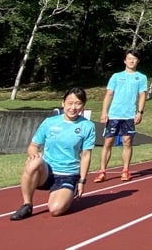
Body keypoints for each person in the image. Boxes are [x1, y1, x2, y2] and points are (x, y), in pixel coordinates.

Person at [11, 87, 96, 220]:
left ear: (83, 106)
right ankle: (27, 204)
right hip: (47, 172)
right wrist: (34, 154)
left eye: (78, 103)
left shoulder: (87, 126)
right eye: (70, 103)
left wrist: (82, 180)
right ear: (63, 103)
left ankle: (67, 192)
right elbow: (33, 146)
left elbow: (86, 155)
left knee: (55, 210)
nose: (73, 107)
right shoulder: (50, 123)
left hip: (68, 174)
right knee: (34, 162)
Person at [94, 51, 148, 183]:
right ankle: (102, 171)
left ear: (137, 61)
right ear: (125, 61)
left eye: (134, 59)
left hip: (129, 115)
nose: (131, 61)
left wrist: (139, 112)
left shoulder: (141, 77)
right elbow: (109, 94)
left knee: (127, 142)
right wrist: (104, 112)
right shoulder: (116, 76)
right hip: (114, 115)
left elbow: (142, 95)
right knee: (108, 142)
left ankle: (125, 170)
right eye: (129, 59)